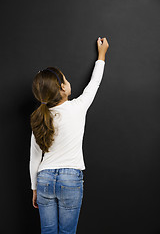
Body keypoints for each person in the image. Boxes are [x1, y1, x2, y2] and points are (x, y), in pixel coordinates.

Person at [29, 37, 109, 234]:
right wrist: (102, 55)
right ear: (63, 88)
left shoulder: (40, 118)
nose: (67, 80)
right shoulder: (77, 107)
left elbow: (35, 157)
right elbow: (94, 83)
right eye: (65, 79)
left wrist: (34, 188)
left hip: (44, 179)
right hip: (70, 179)